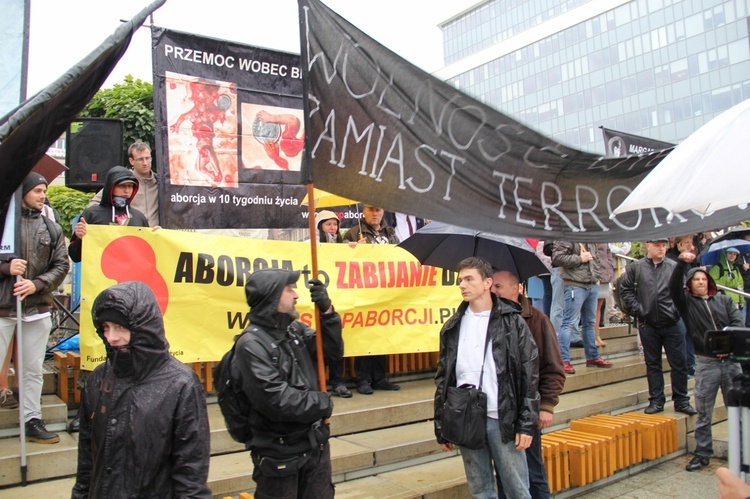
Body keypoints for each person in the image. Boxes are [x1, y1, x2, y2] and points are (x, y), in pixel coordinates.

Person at [71, 281, 211, 497]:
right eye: (106, 328)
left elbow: (190, 475)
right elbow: (86, 461)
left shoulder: (181, 385)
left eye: (120, 327)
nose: (111, 337)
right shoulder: (98, 378)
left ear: (143, 328)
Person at [434, 257, 539, 498]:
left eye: (469, 279)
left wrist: (526, 423)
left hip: (503, 418)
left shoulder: (512, 321)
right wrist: (442, 424)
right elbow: (444, 379)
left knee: (517, 489)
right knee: (480, 490)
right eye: (460, 280)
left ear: (487, 283)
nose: (462, 285)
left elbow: (529, 374)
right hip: (466, 416)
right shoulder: (453, 326)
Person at [234, 269, 341, 499]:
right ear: (270, 296)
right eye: (289, 289)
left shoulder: (295, 330)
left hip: (315, 446)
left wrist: (328, 313)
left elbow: (332, 354)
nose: (296, 295)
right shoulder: (251, 345)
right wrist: (322, 403)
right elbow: (277, 400)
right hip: (280, 456)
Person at [0, 173, 69, 443]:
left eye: (44, 190)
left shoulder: (51, 228)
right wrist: (6, 268)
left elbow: (61, 265)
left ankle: (32, 419)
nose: (42, 195)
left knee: (32, 369)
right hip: (4, 308)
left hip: (37, 309)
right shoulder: (4, 225)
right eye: (37, 190)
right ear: (24, 192)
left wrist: (37, 284)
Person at [492, 270, 564, 499]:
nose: (493, 292)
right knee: (505, 473)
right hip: (499, 409)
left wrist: (547, 405)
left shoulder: (537, 320)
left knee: (533, 472)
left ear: (516, 289)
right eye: (491, 287)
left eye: (499, 287)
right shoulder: (489, 319)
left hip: (527, 408)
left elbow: (553, 365)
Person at [670, 256, 744, 471]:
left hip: (730, 362)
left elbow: (737, 322)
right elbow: (673, 288)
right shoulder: (687, 303)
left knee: (738, 411)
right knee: (704, 412)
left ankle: (741, 452)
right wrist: (683, 264)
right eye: (696, 279)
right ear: (691, 284)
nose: (701, 282)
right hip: (706, 363)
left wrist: (727, 344)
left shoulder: (724, 300)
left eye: (704, 279)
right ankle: (702, 453)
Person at [619, 238, 696, 415]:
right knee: (653, 364)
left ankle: (681, 400)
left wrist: (675, 311)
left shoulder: (672, 266)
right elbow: (626, 290)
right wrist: (639, 310)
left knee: (679, 363)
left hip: (672, 322)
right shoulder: (637, 267)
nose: (661, 249)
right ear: (648, 245)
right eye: (657, 245)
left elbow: (683, 290)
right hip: (648, 324)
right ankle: (656, 400)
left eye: (663, 246)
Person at [343, 205, 401, 394]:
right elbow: (337, 258)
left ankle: (380, 377)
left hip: (385, 292)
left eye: (378, 210)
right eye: (371, 210)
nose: (375, 213)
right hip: (363, 292)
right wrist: (352, 250)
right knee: (364, 335)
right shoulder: (353, 233)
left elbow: (400, 256)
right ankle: (363, 379)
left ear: (384, 212)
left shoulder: (391, 232)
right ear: (364, 212)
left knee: (382, 334)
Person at [551, 241, 612, 374]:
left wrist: (596, 275)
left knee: (589, 322)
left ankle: (592, 357)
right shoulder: (566, 235)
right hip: (574, 284)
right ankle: (564, 360)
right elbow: (557, 258)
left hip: (591, 283)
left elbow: (595, 257)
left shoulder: (588, 234)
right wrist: (580, 259)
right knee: (569, 322)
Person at [68, 166, 150, 263]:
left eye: (130, 186)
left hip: (131, 276)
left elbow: (148, 256)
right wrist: (80, 239)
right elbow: (75, 257)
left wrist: (157, 236)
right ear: (110, 186)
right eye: (122, 186)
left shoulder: (139, 217)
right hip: (99, 276)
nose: (127, 191)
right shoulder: (91, 214)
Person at [313, 211, 351, 397]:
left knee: (336, 342)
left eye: (335, 224)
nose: (333, 228)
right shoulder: (309, 245)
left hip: (338, 304)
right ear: (320, 226)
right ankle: (318, 382)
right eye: (328, 224)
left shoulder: (342, 245)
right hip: (319, 303)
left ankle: (337, 381)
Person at [88, 142, 159, 227]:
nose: (145, 163)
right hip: (129, 235)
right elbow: (94, 204)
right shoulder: (123, 181)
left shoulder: (161, 183)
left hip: (155, 235)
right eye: (140, 159)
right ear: (131, 161)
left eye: (147, 158)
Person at [666, 234, 699, 375]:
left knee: (690, 334)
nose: (689, 245)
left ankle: (691, 364)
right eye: (686, 242)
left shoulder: (691, 258)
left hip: (689, 301)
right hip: (676, 301)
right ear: (678, 244)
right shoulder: (671, 259)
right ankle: (686, 366)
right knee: (682, 334)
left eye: (690, 242)